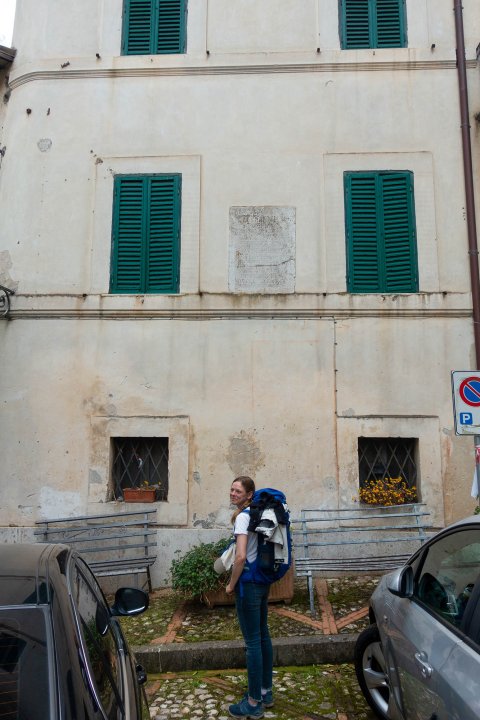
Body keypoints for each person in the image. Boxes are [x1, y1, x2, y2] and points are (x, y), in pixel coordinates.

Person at [225, 476, 273, 719]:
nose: (233, 493)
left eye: (238, 491)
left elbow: (241, 556)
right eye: (232, 489)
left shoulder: (244, 517)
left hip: (248, 584)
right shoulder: (260, 513)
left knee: (252, 642)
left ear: (249, 495)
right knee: (263, 636)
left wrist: (231, 585)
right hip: (263, 581)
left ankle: (253, 703)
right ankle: (265, 692)